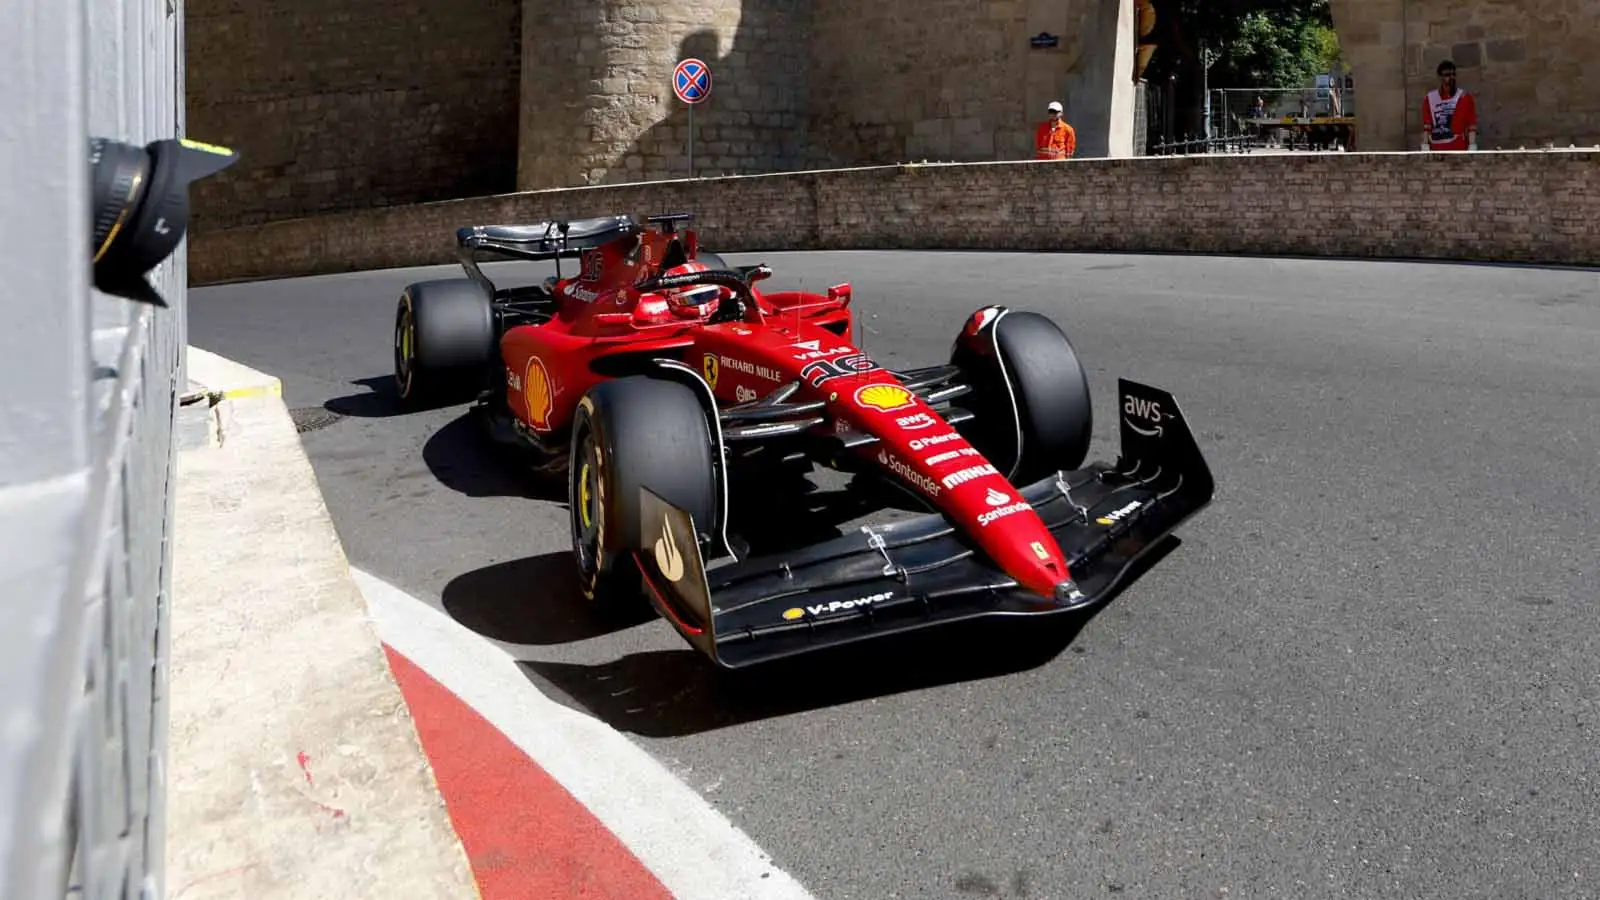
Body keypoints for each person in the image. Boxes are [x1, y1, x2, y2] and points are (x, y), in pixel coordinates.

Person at [1421, 59, 1478, 151]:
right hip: (1437, 148)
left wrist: (1472, 145)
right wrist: (1425, 145)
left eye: (1453, 74)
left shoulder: (1464, 97)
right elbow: (1427, 125)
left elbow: (1471, 124)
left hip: (1458, 148)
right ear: (1440, 77)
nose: (1451, 77)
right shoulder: (1430, 98)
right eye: (1447, 75)